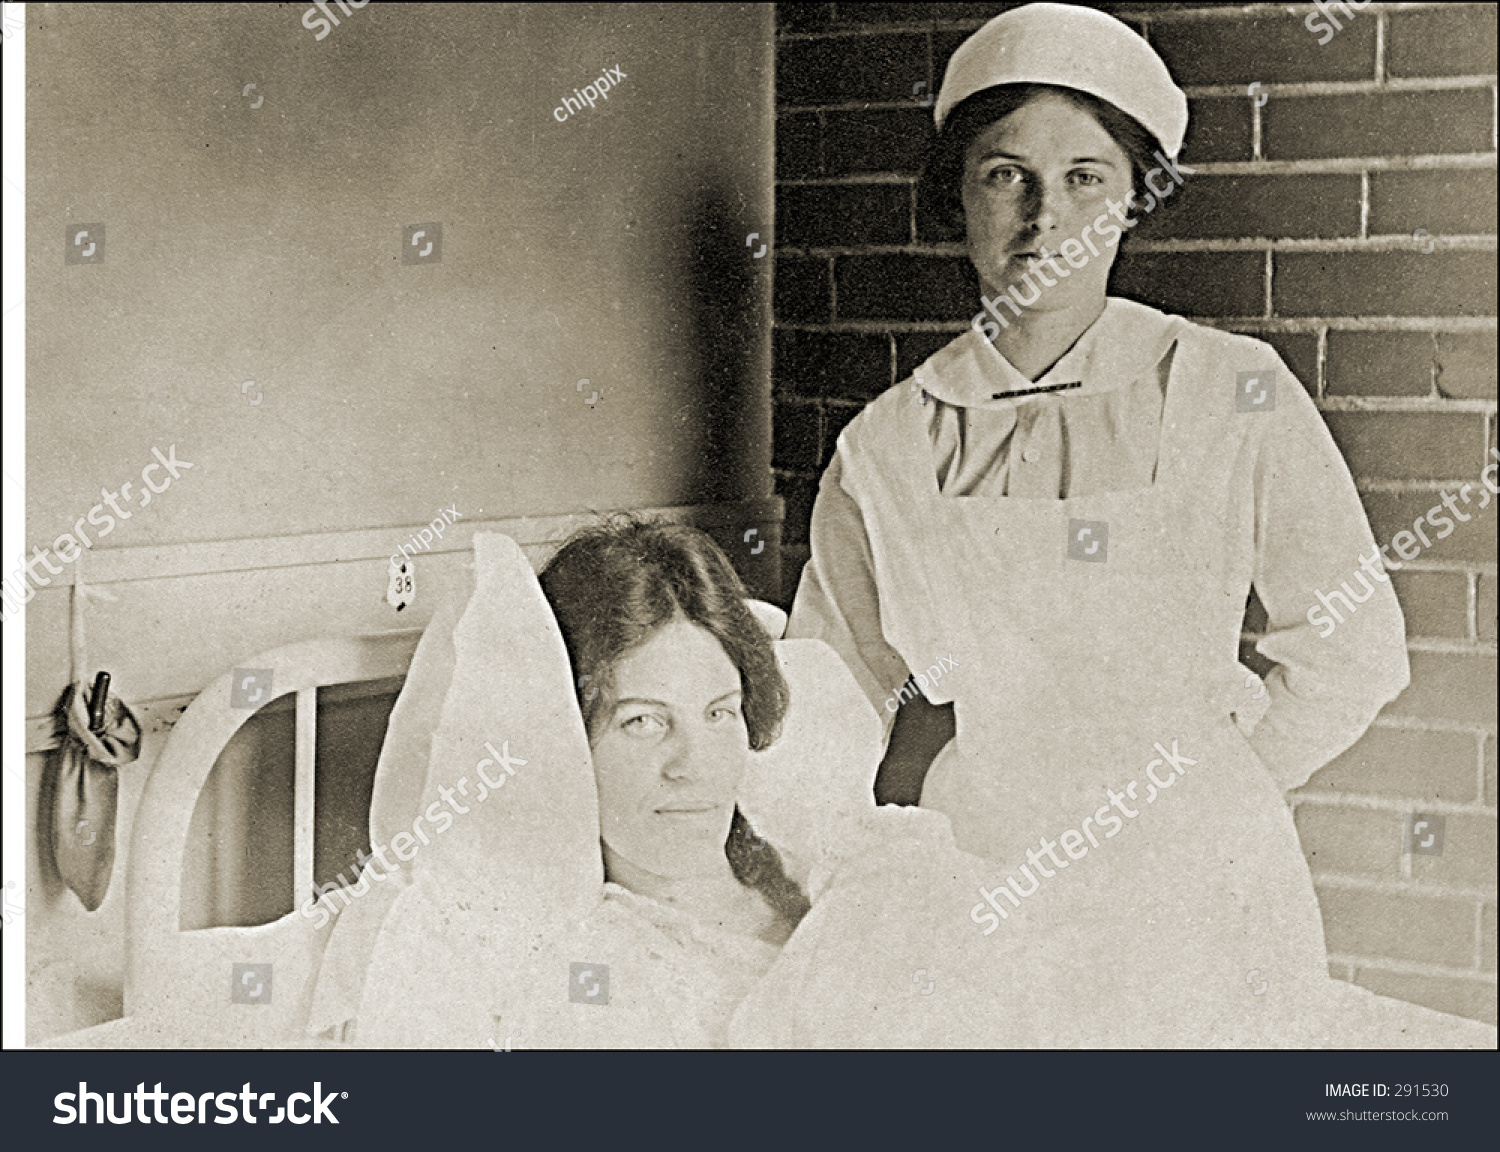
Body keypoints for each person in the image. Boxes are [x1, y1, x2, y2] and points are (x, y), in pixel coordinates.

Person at [785, 3, 1422, 1020]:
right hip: (982, 894)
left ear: (1134, 200)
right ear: (957, 194)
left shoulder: (1233, 391)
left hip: (1201, 898)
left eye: (1086, 178)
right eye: (1006, 175)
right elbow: (830, 696)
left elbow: (1356, 650)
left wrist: (1217, 791)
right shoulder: (885, 447)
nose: (1046, 219)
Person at [345, 524, 1492, 1049]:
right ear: (561, 744)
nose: (693, 766)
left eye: (718, 714)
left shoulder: (846, 855)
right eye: (638, 724)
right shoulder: (567, 963)